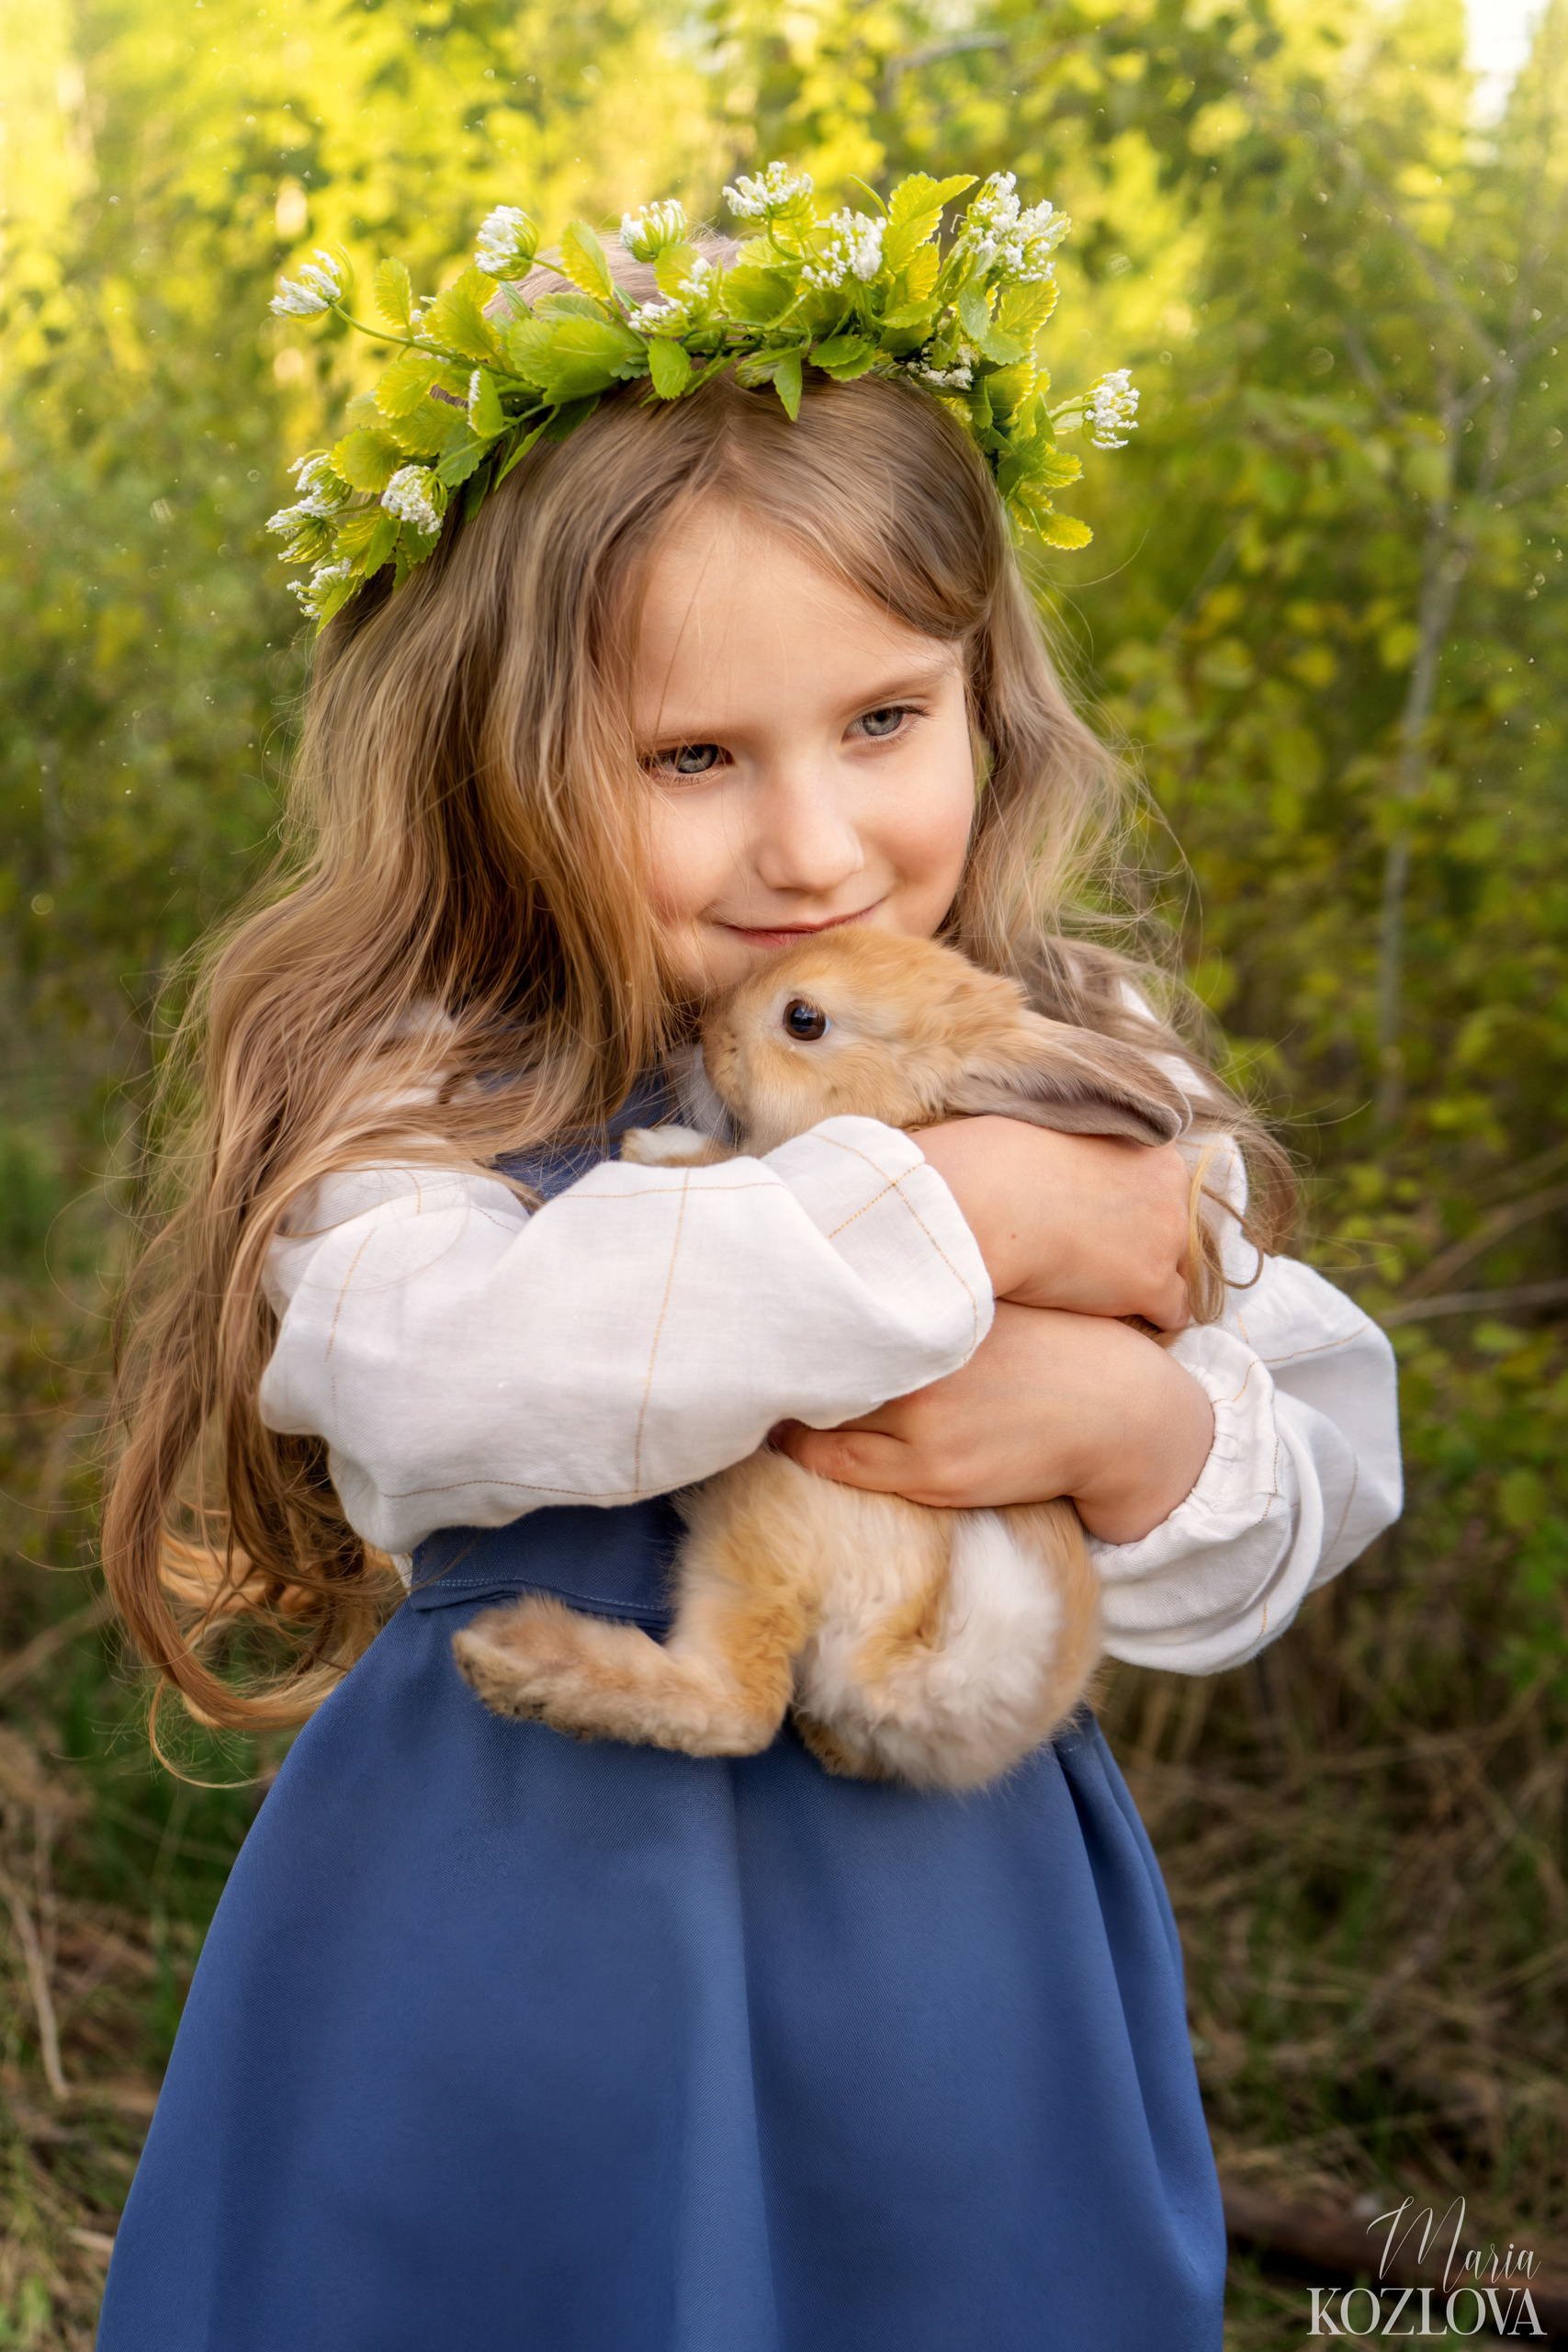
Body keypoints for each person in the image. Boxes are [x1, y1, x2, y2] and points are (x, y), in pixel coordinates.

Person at [96, 173, 1400, 2351]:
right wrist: (951, 1221)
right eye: (693, 756)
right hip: (507, 1936)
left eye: (884, 719)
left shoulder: (1068, 1052)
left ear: (986, 700)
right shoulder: (437, 1093)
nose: (810, 842)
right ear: (504, 773)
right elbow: (446, 1384)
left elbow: (1313, 1451)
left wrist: (1135, 1424)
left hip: (944, 1942)